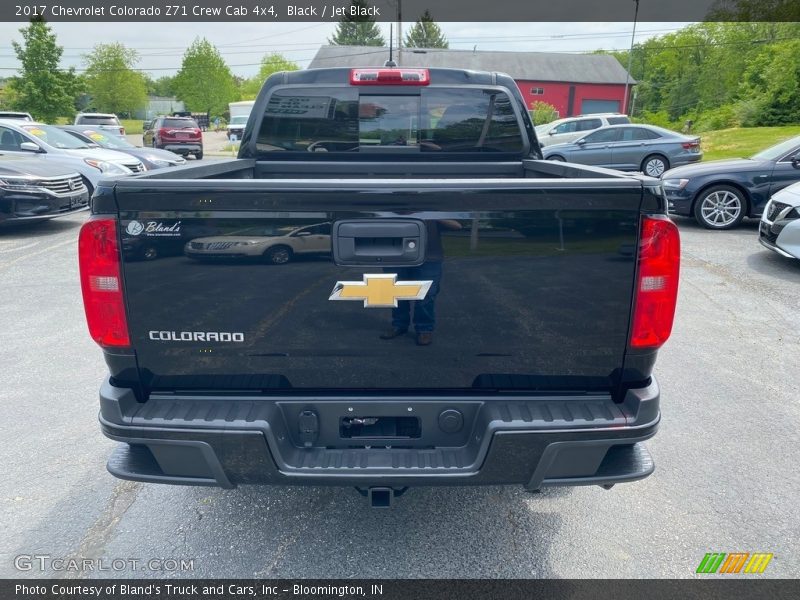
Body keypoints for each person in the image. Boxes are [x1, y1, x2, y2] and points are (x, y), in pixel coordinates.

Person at [380, 219, 461, 346]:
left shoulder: (433, 210)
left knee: (426, 295)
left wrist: (431, 213)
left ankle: (424, 329)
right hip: (395, 256)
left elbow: (457, 226)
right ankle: (399, 325)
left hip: (429, 257)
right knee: (396, 293)